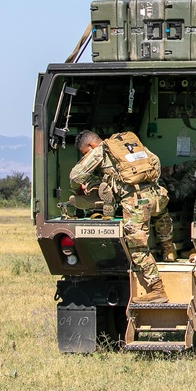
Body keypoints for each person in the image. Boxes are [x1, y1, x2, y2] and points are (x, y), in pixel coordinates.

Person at [70, 130, 173, 304]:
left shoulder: (100, 150)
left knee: (137, 246)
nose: (86, 155)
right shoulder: (126, 144)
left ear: (90, 145)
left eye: (84, 153)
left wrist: (83, 183)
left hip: (135, 201)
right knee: (161, 216)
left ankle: (157, 289)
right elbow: (155, 161)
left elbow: (75, 176)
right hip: (156, 194)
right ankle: (169, 251)